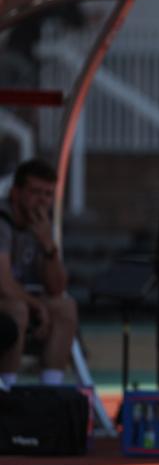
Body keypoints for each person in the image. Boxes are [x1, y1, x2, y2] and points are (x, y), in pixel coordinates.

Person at [0, 159, 78, 389]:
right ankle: (7, 391)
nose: (42, 200)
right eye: (35, 192)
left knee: (65, 307)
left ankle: (50, 390)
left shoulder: (40, 226)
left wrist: (48, 246)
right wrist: (37, 305)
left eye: (48, 194)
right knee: (17, 308)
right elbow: (3, 283)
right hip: (9, 304)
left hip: (22, 300)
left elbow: (57, 288)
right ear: (16, 193)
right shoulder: (2, 221)